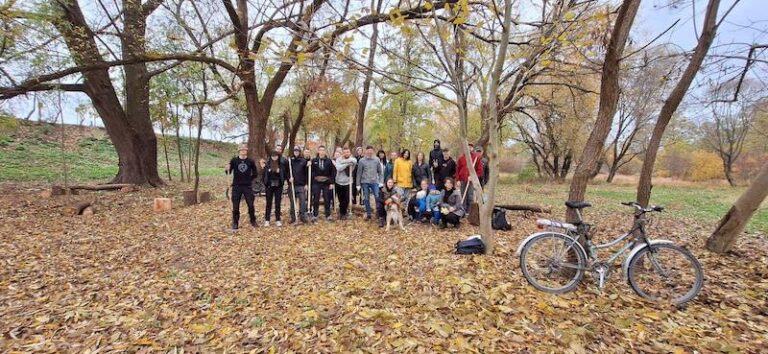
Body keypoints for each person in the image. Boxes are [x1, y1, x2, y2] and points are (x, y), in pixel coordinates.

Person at [225, 145, 258, 230]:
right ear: (239, 151)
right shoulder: (234, 160)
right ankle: (235, 223)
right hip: (236, 186)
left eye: (245, 150)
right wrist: (227, 168)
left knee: (250, 204)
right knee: (235, 206)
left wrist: (249, 180)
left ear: (246, 151)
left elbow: (255, 173)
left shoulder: (250, 161)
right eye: (241, 150)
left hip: (247, 186)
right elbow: (228, 171)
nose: (243, 151)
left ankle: (253, 221)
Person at [356, 145, 384, 220]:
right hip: (364, 182)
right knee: (366, 198)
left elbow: (380, 172)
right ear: (366, 151)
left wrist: (381, 181)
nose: (369, 153)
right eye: (368, 152)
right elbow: (359, 173)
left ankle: (378, 213)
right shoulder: (362, 160)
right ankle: (368, 213)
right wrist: (358, 184)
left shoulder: (376, 160)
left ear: (373, 151)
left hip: (374, 182)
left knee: (377, 197)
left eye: (371, 152)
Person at [456, 143, 484, 212]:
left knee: (470, 196)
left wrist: (473, 177)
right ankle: (463, 211)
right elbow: (457, 169)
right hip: (462, 180)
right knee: (463, 196)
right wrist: (458, 180)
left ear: (472, 149)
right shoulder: (461, 158)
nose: (469, 148)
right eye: (467, 147)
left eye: (470, 147)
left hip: (471, 181)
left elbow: (480, 171)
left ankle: (470, 211)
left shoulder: (476, 158)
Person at [310, 145, 335, 222]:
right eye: (320, 150)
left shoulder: (329, 161)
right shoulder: (314, 160)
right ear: (318, 151)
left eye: (323, 150)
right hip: (316, 182)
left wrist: (332, 183)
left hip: (326, 182)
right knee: (316, 199)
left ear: (325, 151)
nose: (322, 151)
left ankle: (328, 215)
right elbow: (311, 171)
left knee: (327, 199)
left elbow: (332, 172)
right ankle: (315, 215)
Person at [263, 151, 286, 226]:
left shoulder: (281, 165)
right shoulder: (267, 165)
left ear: (278, 156)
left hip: (278, 186)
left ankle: (278, 219)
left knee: (278, 203)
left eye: (276, 156)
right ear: (271, 157)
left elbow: (284, 175)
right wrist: (266, 183)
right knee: (268, 203)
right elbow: (264, 175)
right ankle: (267, 220)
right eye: (273, 156)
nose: (274, 157)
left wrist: (280, 172)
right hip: (269, 186)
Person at [334, 146, 357, 220]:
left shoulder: (353, 159)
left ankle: (342, 213)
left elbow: (354, 161)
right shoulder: (338, 159)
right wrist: (347, 164)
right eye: (345, 152)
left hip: (348, 182)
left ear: (350, 152)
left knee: (346, 199)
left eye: (348, 152)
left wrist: (342, 163)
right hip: (339, 182)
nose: (346, 153)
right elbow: (339, 168)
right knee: (341, 199)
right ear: (342, 153)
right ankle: (342, 213)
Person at [288, 146, 309, 224]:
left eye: (297, 151)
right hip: (292, 185)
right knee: (293, 203)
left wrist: (306, 184)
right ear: (293, 151)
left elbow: (306, 173)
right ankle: (293, 217)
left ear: (300, 152)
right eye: (295, 150)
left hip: (301, 185)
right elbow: (287, 172)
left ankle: (302, 217)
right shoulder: (290, 161)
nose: (296, 152)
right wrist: (289, 178)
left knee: (302, 202)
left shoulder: (303, 161)